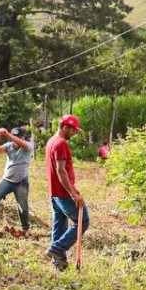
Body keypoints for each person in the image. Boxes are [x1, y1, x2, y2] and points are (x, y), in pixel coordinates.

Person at [44, 114, 88, 271]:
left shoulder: (51, 141)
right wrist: (73, 193)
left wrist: (74, 188)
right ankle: (57, 248)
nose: (74, 134)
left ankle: (59, 264)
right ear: (65, 127)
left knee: (60, 225)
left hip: (54, 192)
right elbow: (61, 171)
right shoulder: (61, 143)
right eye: (73, 130)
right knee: (83, 221)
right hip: (63, 193)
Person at [0, 126, 33, 231]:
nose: (14, 139)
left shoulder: (28, 146)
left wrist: (6, 134)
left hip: (21, 182)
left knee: (22, 207)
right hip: (7, 180)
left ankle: (25, 228)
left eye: (17, 137)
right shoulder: (9, 145)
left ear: (23, 137)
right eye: (13, 136)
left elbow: (21, 143)